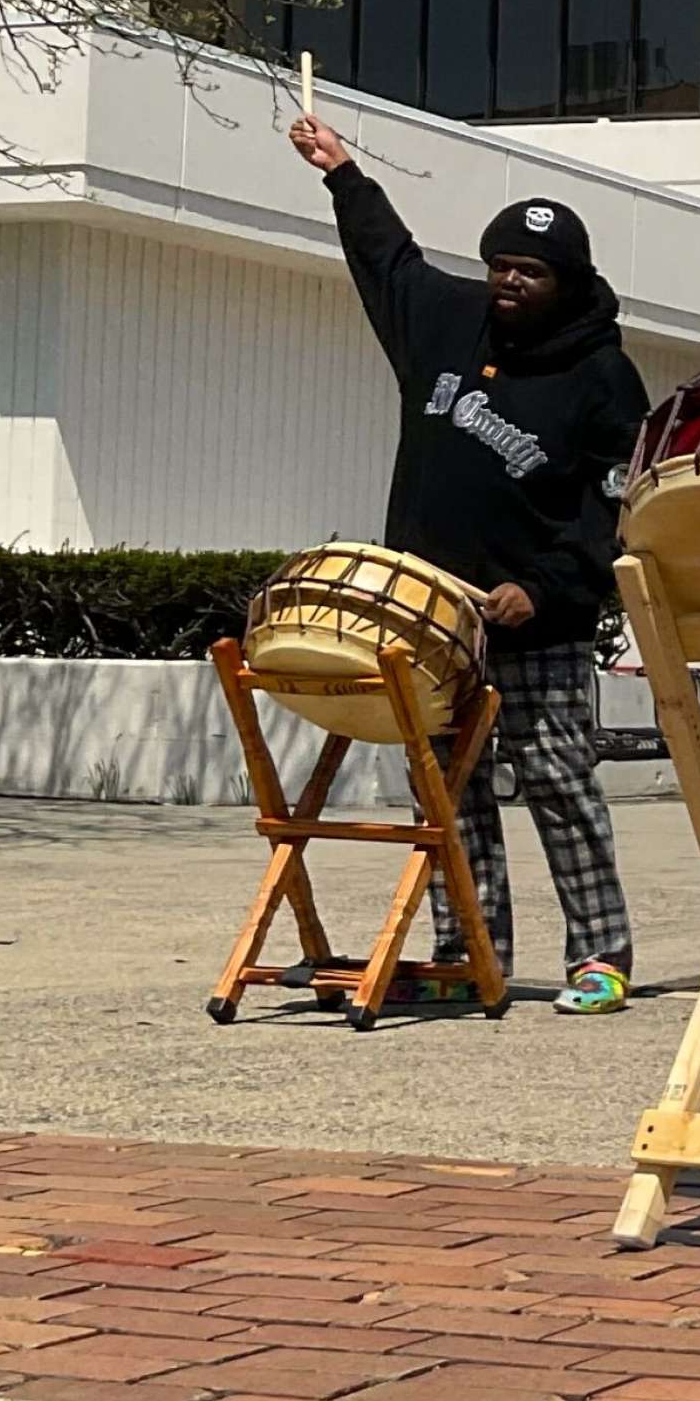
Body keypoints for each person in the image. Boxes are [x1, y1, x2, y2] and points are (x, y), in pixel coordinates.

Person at [284, 114, 646, 1017]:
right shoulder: (448, 322)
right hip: (431, 620)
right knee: (449, 789)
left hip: (538, 625)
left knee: (559, 781)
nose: (509, 283)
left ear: (569, 282)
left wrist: (551, 586)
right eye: (500, 267)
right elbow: (389, 262)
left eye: (530, 272)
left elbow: (617, 508)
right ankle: (465, 947)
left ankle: (599, 955)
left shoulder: (603, 375)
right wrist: (344, 175)